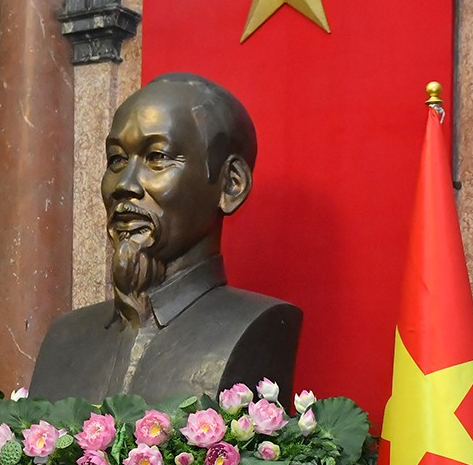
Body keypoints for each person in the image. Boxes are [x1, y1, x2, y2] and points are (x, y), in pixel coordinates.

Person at [27, 71, 302, 402]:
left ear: (231, 184)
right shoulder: (65, 338)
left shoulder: (258, 326)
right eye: (116, 159)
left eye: (156, 157)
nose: (124, 184)